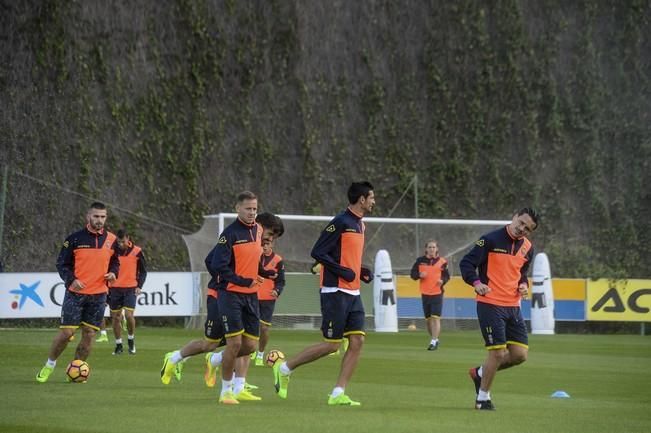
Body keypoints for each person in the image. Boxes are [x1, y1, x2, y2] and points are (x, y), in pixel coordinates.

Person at [160, 208, 284, 404]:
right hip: (221, 296)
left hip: (243, 297)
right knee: (211, 343)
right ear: (260, 227)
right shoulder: (235, 236)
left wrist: (264, 273)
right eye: (269, 235)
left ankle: (238, 386)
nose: (269, 241)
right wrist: (223, 282)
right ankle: (176, 357)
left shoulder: (255, 242)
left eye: (273, 238)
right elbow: (212, 260)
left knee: (246, 342)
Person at [272, 181, 375, 406]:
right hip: (334, 290)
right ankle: (285, 369)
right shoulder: (340, 222)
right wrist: (343, 271)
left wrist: (360, 271)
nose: (374, 202)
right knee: (332, 345)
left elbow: (346, 256)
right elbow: (317, 251)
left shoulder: (360, 224)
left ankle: (338, 393)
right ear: (362, 200)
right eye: (372, 198)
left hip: (353, 291)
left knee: (357, 341)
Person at [459, 207, 539, 411]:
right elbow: (466, 263)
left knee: (520, 355)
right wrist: (476, 283)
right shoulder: (489, 240)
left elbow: (521, 272)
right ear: (514, 217)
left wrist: (523, 285)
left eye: (527, 228)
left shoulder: (528, 248)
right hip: (490, 304)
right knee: (497, 352)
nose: (522, 229)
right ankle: (482, 399)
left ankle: (480, 373)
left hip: (513, 307)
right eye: (521, 223)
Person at [36, 201, 119, 383]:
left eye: (102, 217)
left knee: (89, 333)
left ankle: (75, 369)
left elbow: (115, 262)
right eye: (96, 216)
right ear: (88, 216)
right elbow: (61, 264)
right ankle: (49, 365)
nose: (99, 220)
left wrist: (113, 272)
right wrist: (72, 280)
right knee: (67, 333)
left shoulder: (112, 240)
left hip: (98, 295)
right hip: (75, 293)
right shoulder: (74, 239)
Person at [109, 229, 147, 355]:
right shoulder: (112, 251)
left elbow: (143, 271)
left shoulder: (137, 251)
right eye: (119, 242)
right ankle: (118, 344)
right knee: (115, 317)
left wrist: (139, 286)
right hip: (114, 288)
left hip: (130, 288)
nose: (121, 244)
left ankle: (131, 339)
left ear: (128, 239)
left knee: (129, 315)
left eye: (123, 241)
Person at [410, 240, 450, 350]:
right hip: (425, 294)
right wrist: (419, 275)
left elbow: (447, 276)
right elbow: (412, 275)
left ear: (437, 249)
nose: (432, 249)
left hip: (437, 293)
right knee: (428, 321)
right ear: (426, 249)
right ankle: (435, 339)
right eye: (430, 247)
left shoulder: (442, 262)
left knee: (435, 318)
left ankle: (433, 341)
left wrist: (442, 281)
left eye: (433, 247)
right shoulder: (420, 261)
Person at [252, 239, 285, 366]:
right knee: (250, 326)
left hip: (268, 298)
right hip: (252, 296)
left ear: (272, 244)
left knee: (264, 328)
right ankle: (251, 350)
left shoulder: (277, 260)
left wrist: (277, 290)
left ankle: (260, 354)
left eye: (267, 244)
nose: (265, 246)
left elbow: (281, 280)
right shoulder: (254, 256)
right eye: (262, 244)